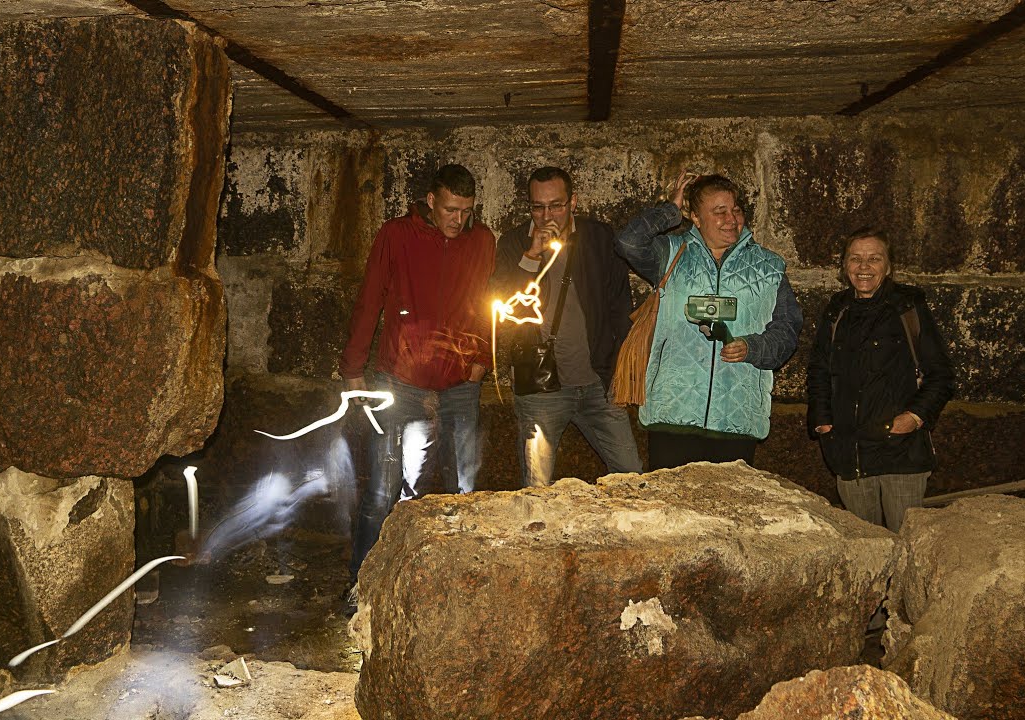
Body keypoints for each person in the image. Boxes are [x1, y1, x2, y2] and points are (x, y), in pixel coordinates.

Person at [339, 163, 495, 586]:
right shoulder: (396, 235)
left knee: (465, 490)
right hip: (400, 381)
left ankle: (460, 586)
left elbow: (487, 300)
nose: (458, 220)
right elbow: (370, 299)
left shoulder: (482, 240)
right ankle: (362, 584)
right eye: (450, 210)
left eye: (466, 211)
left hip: (460, 384)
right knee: (383, 490)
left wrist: (481, 362)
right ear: (431, 201)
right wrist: (353, 369)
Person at [616, 171, 802, 469]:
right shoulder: (671, 254)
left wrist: (753, 348)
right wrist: (670, 209)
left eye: (736, 210)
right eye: (719, 211)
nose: (731, 219)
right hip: (673, 414)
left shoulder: (769, 266)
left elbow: (787, 330)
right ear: (695, 217)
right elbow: (629, 242)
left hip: (736, 417)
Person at [492, 166, 642, 485]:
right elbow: (504, 303)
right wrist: (531, 255)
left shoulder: (598, 237)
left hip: (597, 382)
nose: (546, 216)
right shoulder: (514, 242)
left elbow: (619, 306)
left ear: (573, 202)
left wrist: (619, 367)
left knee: (631, 476)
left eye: (556, 206)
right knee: (537, 486)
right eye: (538, 207)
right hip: (540, 385)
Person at [806, 228, 954, 532]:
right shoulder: (837, 310)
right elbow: (819, 370)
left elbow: (941, 374)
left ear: (888, 267)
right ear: (845, 265)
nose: (864, 267)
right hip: (850, 453)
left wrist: (913, 418)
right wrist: (823, 422)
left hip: (900, 451)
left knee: (905, 541)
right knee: (864, 545)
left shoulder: (907, 308)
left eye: (874, 258)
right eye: (855, 258)